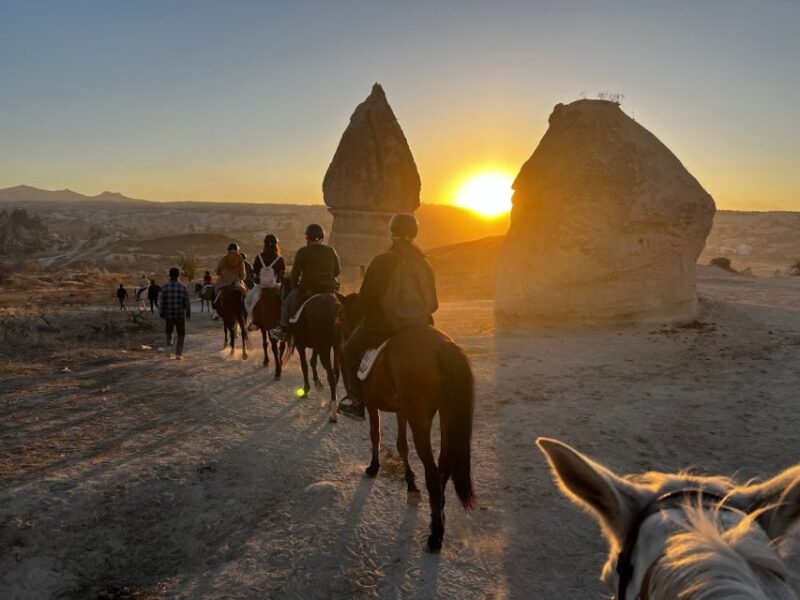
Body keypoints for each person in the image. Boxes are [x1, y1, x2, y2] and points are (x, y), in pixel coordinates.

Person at [338, 213, 438, 420]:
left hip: (387, 325)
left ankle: (356, 402)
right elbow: (434, 304)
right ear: (414, 234)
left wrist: (364, 316)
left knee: (349, 349)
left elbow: (365, 301)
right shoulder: (425, 263)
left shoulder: (383, 260)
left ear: (392, 233)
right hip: (420, 325)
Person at [270, 223, 340, 340]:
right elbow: (337, 272)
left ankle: (283, 331)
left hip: (309, 289)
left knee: (286, 304)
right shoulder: (331, 250)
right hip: (329, 289)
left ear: (307, 237)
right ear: (322, 237)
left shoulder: (302, 252)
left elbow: (295, 275)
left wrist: (295, 286)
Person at [245, 234, 286, 330]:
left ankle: (254, 322)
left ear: (265, 244)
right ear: (276, 245)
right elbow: (281, 275)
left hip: (261, 286)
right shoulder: (279, 258)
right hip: (276, 286)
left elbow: (255, 273)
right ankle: (284, 324)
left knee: (247, 301)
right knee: (285, 303)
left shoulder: (259, 257)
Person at [159, 267, 191, 360]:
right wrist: (188, 313)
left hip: (168, 315)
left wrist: (161, 313)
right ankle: (178, 354)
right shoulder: (183, 287)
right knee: (181, 334)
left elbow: (161, 302)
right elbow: (187, 302)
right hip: (180, 315)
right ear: (178, 275)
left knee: (169, 332)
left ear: (169, 275)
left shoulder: (165, 287)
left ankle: (169, 348)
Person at [212, 243, 247, 319]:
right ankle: (246, 311)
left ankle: (215, 311)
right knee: (245, 294)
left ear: (228, 250)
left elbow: (218, 270)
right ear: (237, 250)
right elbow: (243, 275)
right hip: (236, 283)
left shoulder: (223, 259)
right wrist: (241, 278)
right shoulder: (240, 259)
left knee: (215, 292)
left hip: (223, 283)